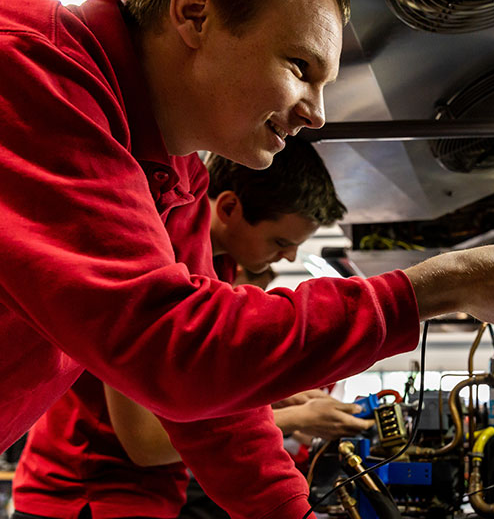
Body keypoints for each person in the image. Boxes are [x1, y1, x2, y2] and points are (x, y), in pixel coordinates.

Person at [0, 0, 494, 516]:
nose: (318, 114)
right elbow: (173, 350)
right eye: (300, 68)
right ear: (195, 13)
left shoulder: (174, 181)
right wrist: (438, 286)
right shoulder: (29, 65)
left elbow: (212, 405)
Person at [12, 140, 373, 518]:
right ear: (230, 207)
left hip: (144, 494)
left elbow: (191, 387)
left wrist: (271, 400)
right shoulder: (160, 264)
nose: (289, 257)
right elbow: (144, 442)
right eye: (280, 241)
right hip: (86, 497)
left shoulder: (218, 273)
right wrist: (294, 419)